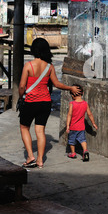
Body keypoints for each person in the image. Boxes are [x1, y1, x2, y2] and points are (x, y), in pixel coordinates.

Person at [19, 38, 80, 169]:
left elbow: (22, 86)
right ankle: (40, 160)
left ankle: (30, 156)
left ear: (33, 50)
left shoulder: (28, 66)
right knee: (40, 131)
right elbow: (57, 84)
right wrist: (70, 88)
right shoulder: (49, 66)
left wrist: (21, 98)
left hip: (30, 102)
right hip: (45, 103)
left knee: (24, 128)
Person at [66, 84, 98, 161]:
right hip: (81, 127)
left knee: (71, 141)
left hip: (73, 127)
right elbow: (90, 114)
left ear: (72, 95)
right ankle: (85, 151)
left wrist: (67, 126)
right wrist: (93, 123)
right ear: (82, 93)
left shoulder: (72, 104)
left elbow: (69, 115)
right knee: (82, 140)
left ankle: (73, 153)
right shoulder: (85, 104)